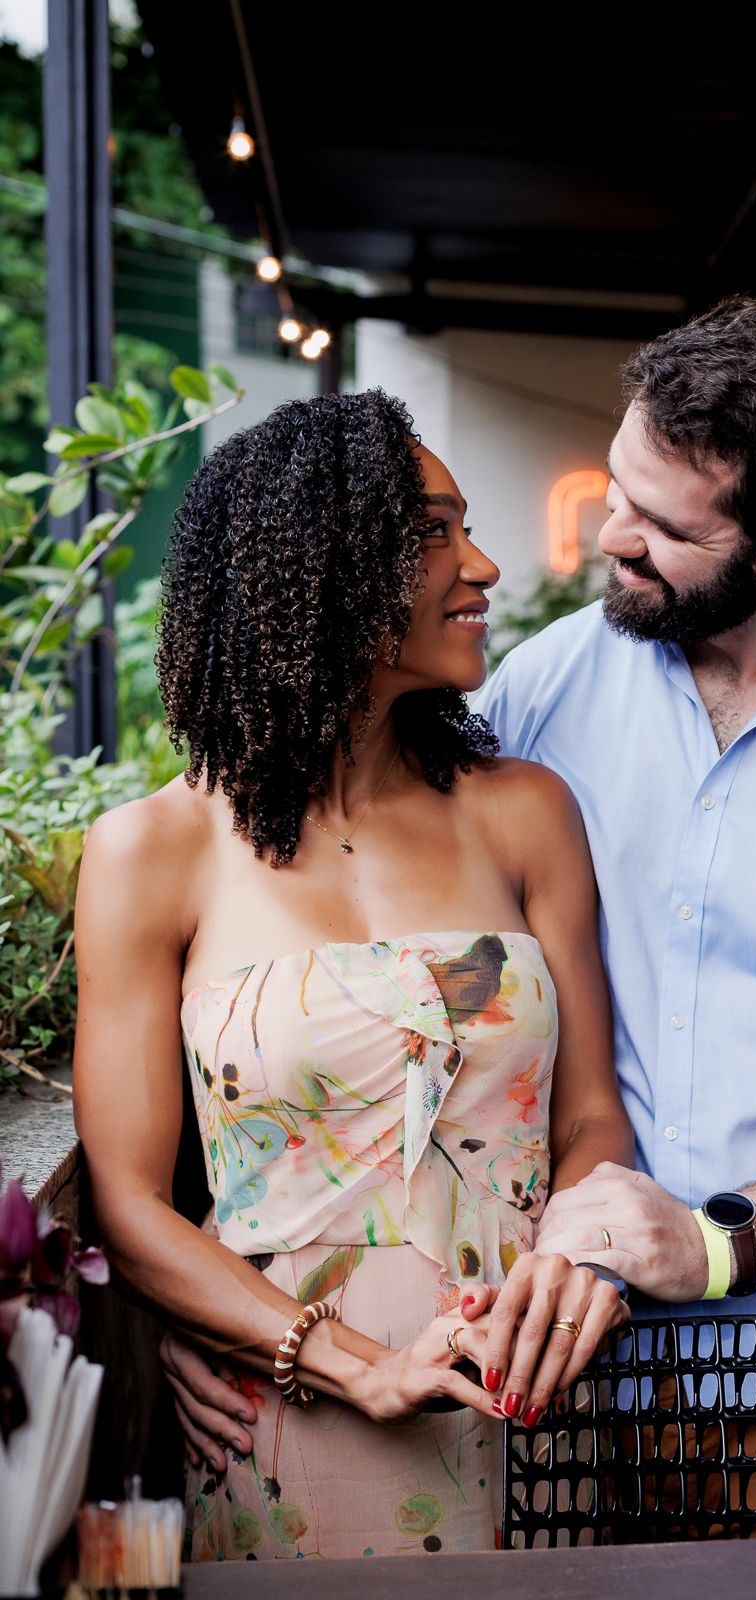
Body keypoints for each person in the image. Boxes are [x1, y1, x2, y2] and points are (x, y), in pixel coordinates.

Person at [165, 295, 756, 1464]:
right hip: (547, 1397)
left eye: (659, 523)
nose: (609, 537)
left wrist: (717, 1243)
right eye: (616, 488)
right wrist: (232, 1303)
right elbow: (315, 932)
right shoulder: (536, 690)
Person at [72, 389, 631, 1561]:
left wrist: (567, 1271)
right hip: (289, 1413)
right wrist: (345, 1362)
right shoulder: (149, 853)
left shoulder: (525, 814)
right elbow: (128, 1203)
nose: (481, 565)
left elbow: (589, 1117)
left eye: (466, 527)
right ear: (319, 569)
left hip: (531, 1389)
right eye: (431, 532)